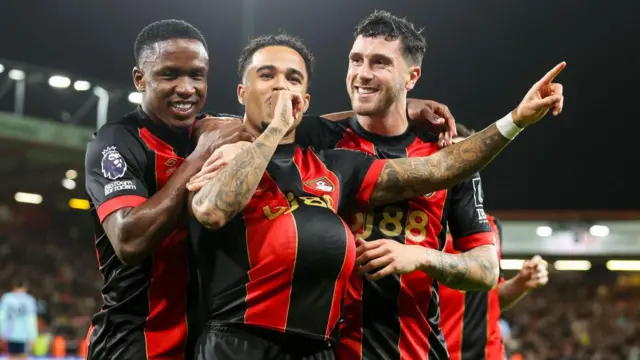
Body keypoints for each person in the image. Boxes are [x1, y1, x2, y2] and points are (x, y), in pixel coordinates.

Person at [186, 31, 564, 360]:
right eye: (356, 60)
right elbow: (216, 184)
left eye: (380, 63)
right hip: (285, 344)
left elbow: (478, 253)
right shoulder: (278, 144)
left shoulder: (355, 161)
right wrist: (255, 140)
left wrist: (516, 119)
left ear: (411, 77)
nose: (281, 88)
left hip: (379, 349)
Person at [83, 19, 253, 360]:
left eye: (196, 75)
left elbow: (301, 133)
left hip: (209, 344)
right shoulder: (116, 142)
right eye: (169, 74)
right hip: (134, 343)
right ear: (140, 78)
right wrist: (201, 156)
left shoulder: (214, 132)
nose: (187, 88)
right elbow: (128, 240)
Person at [439, 124, 549, 360]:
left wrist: (521, 283)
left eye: (467, 156)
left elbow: (490, 299)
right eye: (449, 154)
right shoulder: (415, 230)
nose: (459, 165)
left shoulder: (491, 227)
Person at [0, 280, 38, 360]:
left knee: (13, 356)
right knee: (21, 356)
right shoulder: (29, 300)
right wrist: (33, 336)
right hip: (22, 334)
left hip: (11, 334)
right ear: (25, 288)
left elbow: (2, 317)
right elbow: (31, 319)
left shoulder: (7, 298)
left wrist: (2, 333)